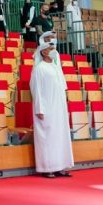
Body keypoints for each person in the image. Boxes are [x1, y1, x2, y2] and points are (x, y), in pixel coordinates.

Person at [30, 41, 74, 178]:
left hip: (59, 108)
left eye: (54, 48)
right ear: (43, 52)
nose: (54, 50)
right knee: (47, 138)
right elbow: (36, 90)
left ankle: (60, 166)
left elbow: (62, 88)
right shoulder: (39, 68)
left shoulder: (56, 67)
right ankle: (47, 168)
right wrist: (39, 109)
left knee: (60, 137)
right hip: (46, 108)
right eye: (50, 48)